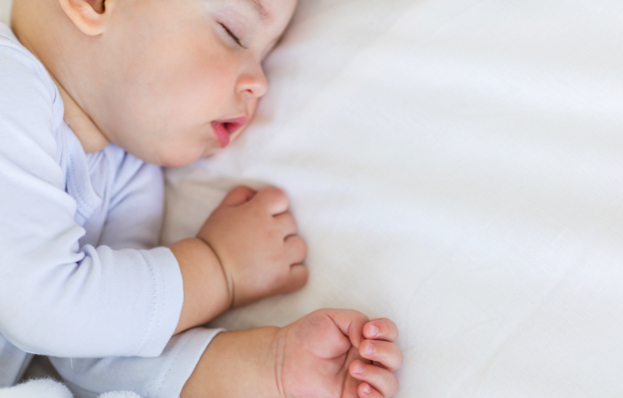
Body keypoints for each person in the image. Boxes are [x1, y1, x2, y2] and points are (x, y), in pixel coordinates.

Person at [0, 0, 403, 396]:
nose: (260, 83)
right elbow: (43, 304)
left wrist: (271, 368)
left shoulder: (128, 170)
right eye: (233, 33)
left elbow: (98, 341)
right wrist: (217, 267)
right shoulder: (9, 80)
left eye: (266, 55)